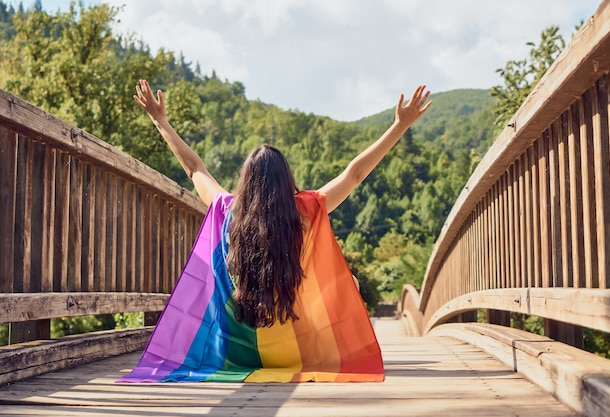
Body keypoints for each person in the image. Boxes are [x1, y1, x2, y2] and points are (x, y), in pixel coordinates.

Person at [118, 79, 431, 384]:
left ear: (247, 181)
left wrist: (159, 120)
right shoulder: (306, 210)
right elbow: (355, 173)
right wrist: (400, 125)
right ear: (286, 178)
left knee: (216, 289)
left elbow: (195, 169)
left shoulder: (228, 210)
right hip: (297, 348)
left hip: (239, 351)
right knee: (349, 282)